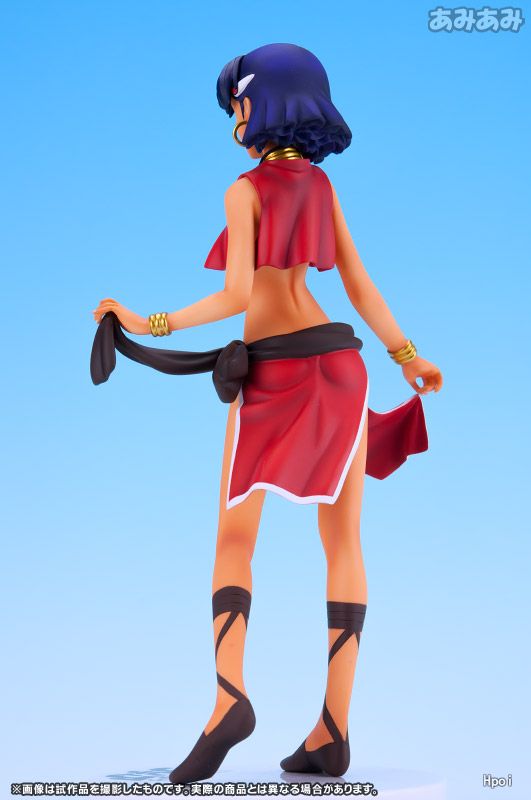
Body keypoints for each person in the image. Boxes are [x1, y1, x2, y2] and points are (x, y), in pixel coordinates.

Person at [92, 43, 443, 782]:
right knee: (343, 543)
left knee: (233, 538)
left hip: (277, 370)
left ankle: (229, 700)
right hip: (340, 365)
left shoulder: (245, 190)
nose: (235, 116)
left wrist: (147, 320)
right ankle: (332, 731)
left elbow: (237, 296)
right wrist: (407, 356)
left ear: (260, 103)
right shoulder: (321, 186)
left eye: (238, 102)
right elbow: (358, 282)